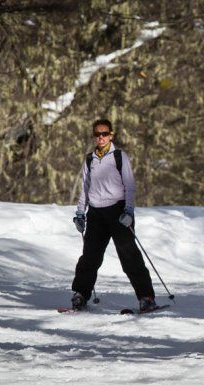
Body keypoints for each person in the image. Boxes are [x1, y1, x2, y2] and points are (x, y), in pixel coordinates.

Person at [69, 118, 158, 312]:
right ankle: (80, 294)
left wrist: (129, 210)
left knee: (129, 255)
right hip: (95, 213)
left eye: (105, 134)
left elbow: (130, 185)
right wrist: (80, 213)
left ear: (111, 135)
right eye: (97, 134)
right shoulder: (89, 159)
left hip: (118, 211)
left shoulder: (119, 156)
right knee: (90, 257)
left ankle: (146, 297)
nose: (101, 137)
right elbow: (85, 188)